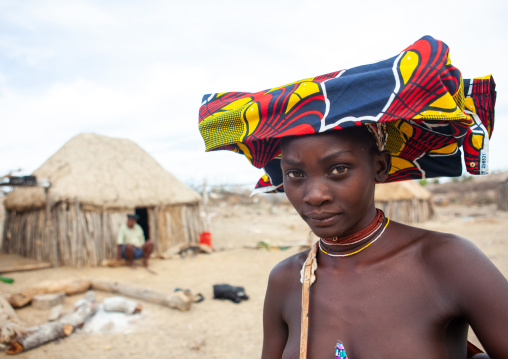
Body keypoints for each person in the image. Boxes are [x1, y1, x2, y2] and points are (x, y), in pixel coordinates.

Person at [198, 36, 508, 358]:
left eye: (339, 169)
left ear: (379, 167)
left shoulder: (447, 261)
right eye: (295, 175)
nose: (314, 196)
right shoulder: (286, 280)